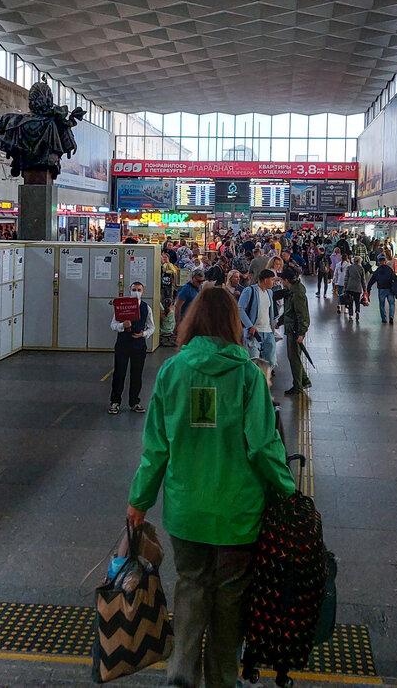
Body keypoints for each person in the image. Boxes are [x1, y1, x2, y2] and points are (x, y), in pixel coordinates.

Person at [126, 289, 296, 688]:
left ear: (193, 322)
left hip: (187, 514)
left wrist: (139, 501)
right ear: (233, 325)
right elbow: (263, 445)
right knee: (230, 605)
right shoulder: (248, 376)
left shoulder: (172, 372)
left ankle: (181, 676)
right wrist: (290, 491)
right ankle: (222, 680)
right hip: (239, 516)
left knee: (190, 591)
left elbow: (156, 448)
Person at [109, 280, 154, 415]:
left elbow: (152, 326)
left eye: (139, 290)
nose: (136, 292)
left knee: (137, 374)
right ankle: (115, 401)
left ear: (143, 292)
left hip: (139, 345)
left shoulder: (147, 308)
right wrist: (123, 325)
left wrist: (144, 334)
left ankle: (134, 402)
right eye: (134, 289)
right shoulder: (122, 306)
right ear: (130, 291)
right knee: (119, 373)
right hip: (123, 344)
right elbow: (113, 325)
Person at [238, 268, 279, 376]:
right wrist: (249, 326)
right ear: (265, 280)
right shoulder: (249, 291)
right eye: (272, 280)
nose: (273, 282)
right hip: (254, 332)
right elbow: (240, 308)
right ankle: (254, 382)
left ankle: (264, 379)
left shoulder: (269, 292)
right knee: (253, 360)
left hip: (268, 331)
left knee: (271, 360)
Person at [278, 266, 311, 396]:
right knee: (294, 356)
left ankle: (298, 386)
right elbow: (289, 311)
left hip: (294, 330)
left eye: (282, 279)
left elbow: (302, 314)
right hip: (292, 327)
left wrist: (301, 333)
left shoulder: (297, 293)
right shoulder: (293, 291)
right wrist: (281, 321)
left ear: (286, 280)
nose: (281, 282)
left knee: (294, 357)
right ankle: (303, 380)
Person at [366, 256, 397, 324]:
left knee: (382, 304)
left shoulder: (378, 270)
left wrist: (368, 289)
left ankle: (384, 319)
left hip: (381, 289)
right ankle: (391, 317)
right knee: (391, 304)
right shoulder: (389, 269)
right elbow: (395, 278)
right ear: (385, 262)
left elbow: (371, 281)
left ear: (379, 262)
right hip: (390, 289)